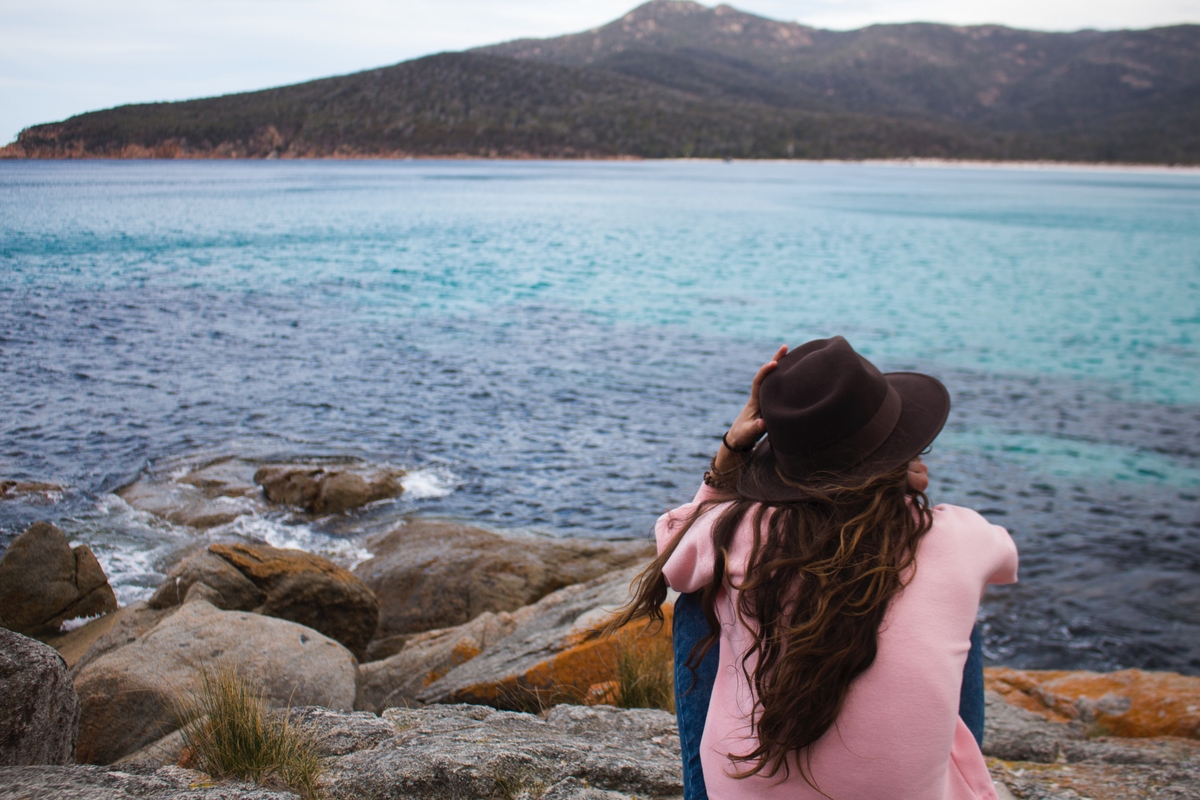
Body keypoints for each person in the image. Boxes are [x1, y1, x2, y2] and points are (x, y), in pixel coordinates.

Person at [609, 336, 1017, 800]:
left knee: (698, 599)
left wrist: (729, 451)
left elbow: (675, 556)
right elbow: (1006, 559)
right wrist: (896, 488)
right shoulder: (960, 535)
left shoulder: (741, 528)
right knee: (963, 611)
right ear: (898, 456)